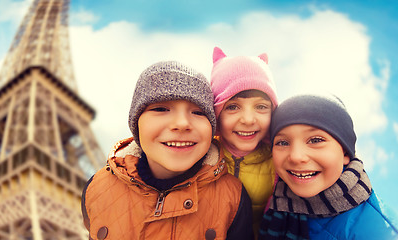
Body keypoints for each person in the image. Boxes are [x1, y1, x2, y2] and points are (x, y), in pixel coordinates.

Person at [81, 61, 253, 240]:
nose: (182, 124)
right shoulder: (96, 188)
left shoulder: (233, 197)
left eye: (198, 112)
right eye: (161, 109)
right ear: (136, 123)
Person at [259, 94, 398, 239]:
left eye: (315, 140)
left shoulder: (379, 230)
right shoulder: (278, 200)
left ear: (345, 153)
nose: (296, 156)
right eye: (283, 142)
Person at [210, 46, 278, 237]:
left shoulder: (280, 161)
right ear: (215, 114)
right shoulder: (201, 157)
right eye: (232, 106)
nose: (248, 119)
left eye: (261, 106)